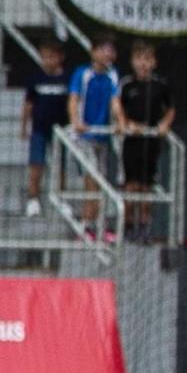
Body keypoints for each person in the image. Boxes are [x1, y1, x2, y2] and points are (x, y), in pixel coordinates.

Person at [116, 40, 174, 243]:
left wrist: (164, 125)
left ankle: (145, 226)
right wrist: (125, 124)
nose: (143, 63)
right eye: (139, 59)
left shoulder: (160, 85)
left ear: (154, 62)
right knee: (131, 186)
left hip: (151, 142)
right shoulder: (126, 84)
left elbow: (170, 109)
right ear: (133, 61)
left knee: (146, 186)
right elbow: (117, 107)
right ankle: (129, 225)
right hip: (132, 141)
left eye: (147, 59)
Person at [68, 35, 121, 238]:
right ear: (93, 52)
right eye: (103, 49)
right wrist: (76, 121)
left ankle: (98, 224)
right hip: (84, 137)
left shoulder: (113, 75)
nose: (107, 54)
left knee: (101, 180)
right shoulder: (83, 74)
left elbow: (115, 102)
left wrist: (120, 123)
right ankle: (88, 223)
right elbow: (73, 99)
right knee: (92, 179)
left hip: (104, 138)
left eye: (110, 50)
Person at [20, 40, 70, 217]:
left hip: (61, 132)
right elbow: (28, 104)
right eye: (44, 56)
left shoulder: (66, 79)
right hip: (39, 129)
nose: (48, 60)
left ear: (60, 57)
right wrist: (24, 126)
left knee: (61, 166)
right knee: (36, 165)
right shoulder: (36, 78)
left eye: (51, 56)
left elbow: (72, 103)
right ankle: (33, 199)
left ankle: (61, 198)